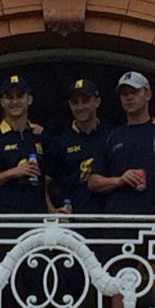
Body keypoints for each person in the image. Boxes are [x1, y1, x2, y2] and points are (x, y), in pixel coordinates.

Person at [88, 72, 155, 216]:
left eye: (134, 92)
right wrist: (119, 180)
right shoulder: (112, 136)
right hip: (119, 221)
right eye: (124, 94)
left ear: (148, 94)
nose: (129, 97)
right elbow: (92, 182)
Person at [0, 74, 51, 214]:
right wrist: (12, 173)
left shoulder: (39, 136)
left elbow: (45, 181)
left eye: (20, 96)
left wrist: (52, 210)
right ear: (2, 101)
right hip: (4, 219)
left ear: (29, 99)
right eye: (9, 97)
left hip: (36, 219)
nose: (15, 101)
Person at [45, 78, 110, 215]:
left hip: (107, 219)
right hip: (71, 222)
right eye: (75, 102)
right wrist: (51, 211)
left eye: (85, 101)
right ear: (69, 105)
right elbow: (43, 182)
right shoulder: (60, 140)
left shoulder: (112, 135)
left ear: (97, 102)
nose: (80, 107)